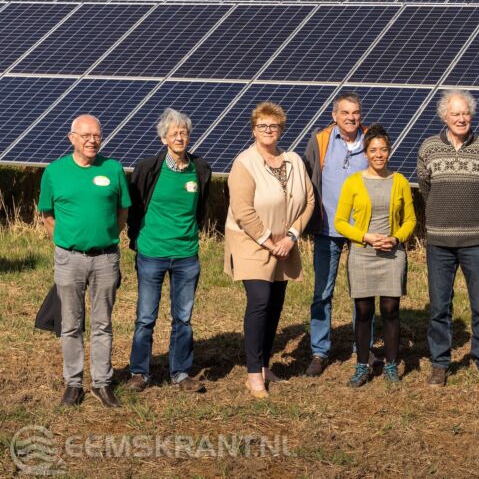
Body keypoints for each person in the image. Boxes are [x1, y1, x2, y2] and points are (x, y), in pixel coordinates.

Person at [39, 114, 131, 408]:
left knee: (103, 323)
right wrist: (65, 242)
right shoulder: (54, 172)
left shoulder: (113, 169)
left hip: (106, 258)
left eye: (97, 135)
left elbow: (122, 212)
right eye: (86, 136)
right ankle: (73, 384)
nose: (92, 140)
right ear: (72, 138)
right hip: (69, 259)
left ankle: (102, 384)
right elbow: (47, 216)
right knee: (70, 323)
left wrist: (104, 238)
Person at [225, 102, 315, 399]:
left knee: (276, 302)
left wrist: (291, 236)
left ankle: (264, 365)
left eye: (274, 126)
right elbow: (242, 210)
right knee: (260, 301)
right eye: (263, 126)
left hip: (285, 244)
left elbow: (309, 201)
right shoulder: (245, 163)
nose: (268, 131)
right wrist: (267, 240)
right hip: (251, 243)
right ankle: (253, 375)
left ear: (281, 130)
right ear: (254, 129)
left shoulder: (293, 161)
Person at [417, 89, 479, 388]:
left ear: (472, 115)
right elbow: (425, 189)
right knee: (440, 306)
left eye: (465, 113)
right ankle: (440, 363)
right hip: (439, 242)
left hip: (476, 241)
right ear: (445, 117)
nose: (461, 118)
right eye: (455, 114)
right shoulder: (428, 148)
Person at [125, 109, 211, 394]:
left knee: (183, 319)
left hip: (186, 254)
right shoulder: (148, 168)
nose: (179, 137)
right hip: (152, 253)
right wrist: (136, 240)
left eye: (183, 132)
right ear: (163, 138)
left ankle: (181, 372)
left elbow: (201, 208)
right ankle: (140, 372)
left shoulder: (200, 169)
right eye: (173, 133)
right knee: (145, 318)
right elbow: (134, 206)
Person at [334, 124, 416, 387]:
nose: (379, 154)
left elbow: (410, 220)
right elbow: (340, 222)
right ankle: (362, 364)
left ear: (389, 151)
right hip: (362, 254)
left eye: (383, 149)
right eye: (373, 150)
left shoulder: (400, 181)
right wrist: (365, 237)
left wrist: (396, 238)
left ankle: (391, 364)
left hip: (392, 254)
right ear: (365, 154)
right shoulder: (353, 183)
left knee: (390, 308)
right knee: (364, 309)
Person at [302, 92, 371, 377]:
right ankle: (320, 351)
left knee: (363, 292)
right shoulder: (320, 141)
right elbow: (306, 179)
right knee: (322, 292)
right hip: (327, 228)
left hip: (362, 231)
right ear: (334, 116)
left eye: (355, 112)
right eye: (345, 113)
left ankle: (363, 348)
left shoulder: (371, 140)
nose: (351, 117)